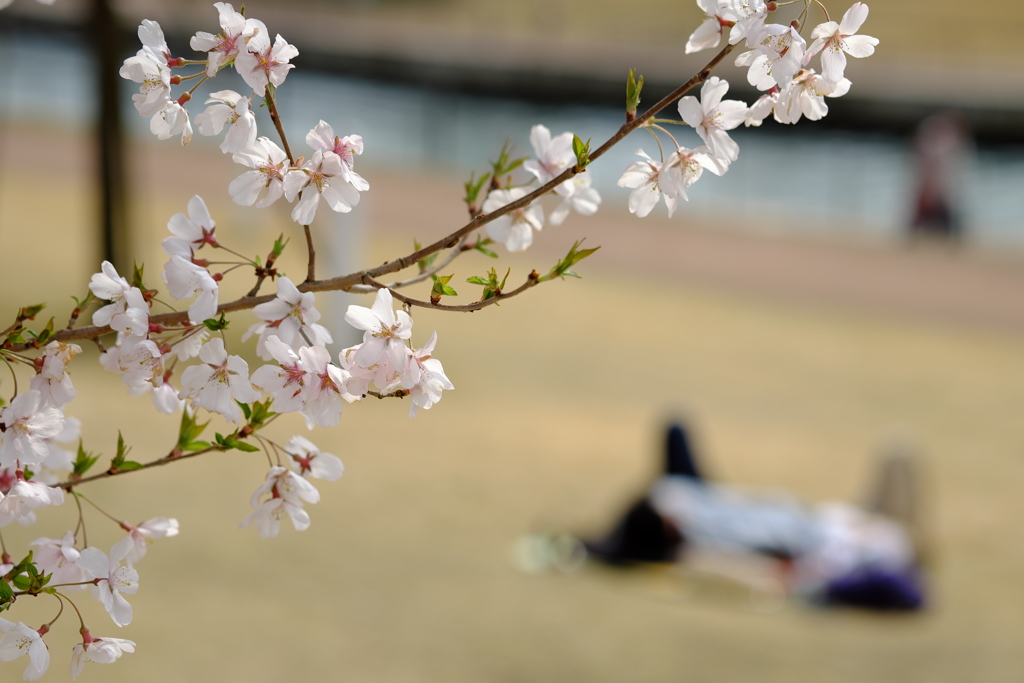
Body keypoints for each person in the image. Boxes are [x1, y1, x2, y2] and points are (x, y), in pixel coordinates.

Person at [584, 424, 927, 611]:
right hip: (815, 528)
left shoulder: (677, 502)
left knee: (675, 429)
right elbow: (777, 572)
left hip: (731, 508)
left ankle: (612, 539)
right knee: (898, 455)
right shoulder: (701, 546)